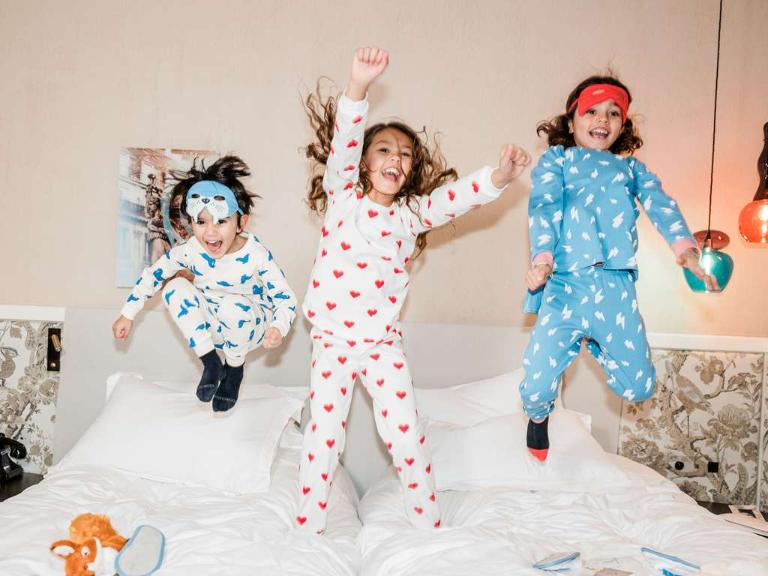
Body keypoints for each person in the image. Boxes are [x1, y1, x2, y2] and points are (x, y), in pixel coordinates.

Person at [296, 47, 531, 533]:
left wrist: (500, 177)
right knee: (323, 438)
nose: (396, 159)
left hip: (382, 344)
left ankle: (428, 527)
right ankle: (308, 532)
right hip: (333, 339)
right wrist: (358, 85)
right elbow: (344, 142)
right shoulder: (343, 198)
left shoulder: (409, 215)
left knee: (406, 438)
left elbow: (455, 199)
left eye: (405, 155)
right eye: (384, 149)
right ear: (363, 162)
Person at [520, 76, 717, 462]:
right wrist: (542, 260)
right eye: (592, 111)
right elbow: (544, 207)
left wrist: (686, 250)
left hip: (615, 288)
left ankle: (595, 340)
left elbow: (662, 205)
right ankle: (538, 417)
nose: (602, 119)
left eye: (614, 113)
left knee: (639, 387)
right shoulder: (558, 161)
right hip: (565, 286)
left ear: (623, 125)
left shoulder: (630, 169)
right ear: (572, 121)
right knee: (536, 386)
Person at [112, 156, 297, 412]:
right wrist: (128, 313)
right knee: (173, 287)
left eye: (221, 221)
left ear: (241, 223)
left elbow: (285, 298)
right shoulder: (191, 250)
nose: (210, 232)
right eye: (201, 222)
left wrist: (279, 326)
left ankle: (234, 370)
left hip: (250, 325)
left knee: (232, 307)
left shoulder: (256, 255)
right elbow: (154, 274)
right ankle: (211, 362)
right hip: (213, 325)